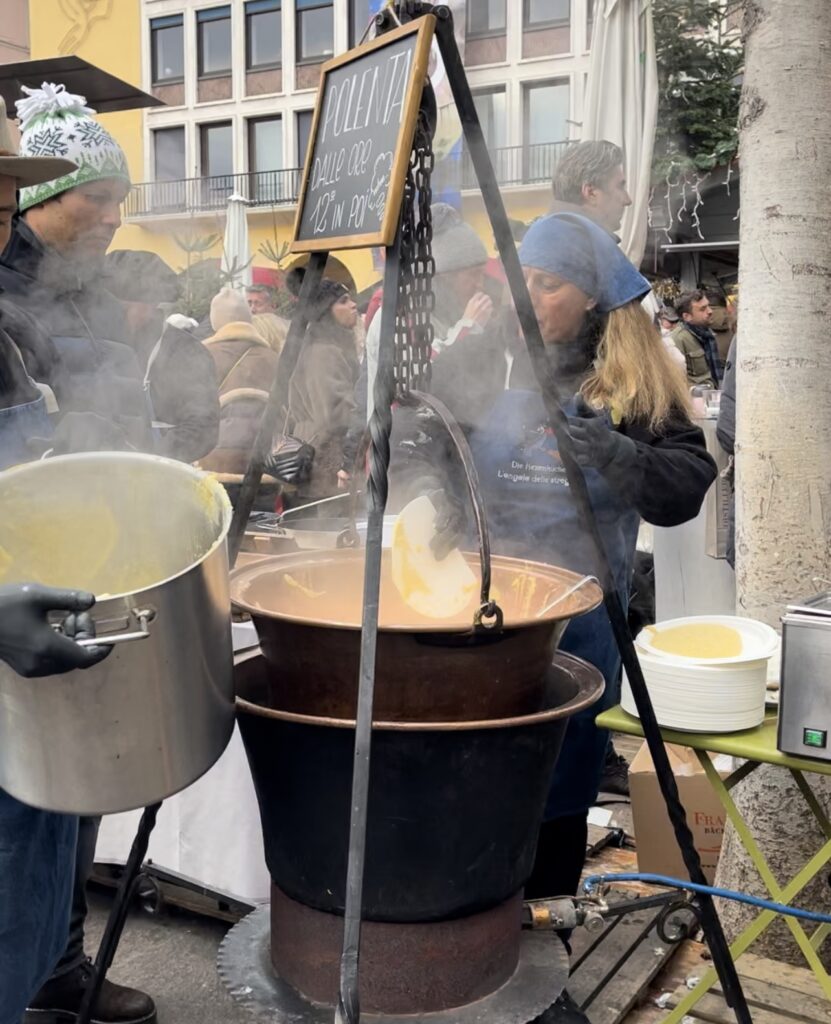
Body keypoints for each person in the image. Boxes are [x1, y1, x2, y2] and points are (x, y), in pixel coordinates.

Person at [400, 213, 716, 1022]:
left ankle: (542, 966)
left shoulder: (636, 377)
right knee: (468, 784)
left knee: (558, 793)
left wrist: (610, 450)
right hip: (477, 611)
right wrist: (417, 468)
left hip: (576, 620)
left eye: (546, 285)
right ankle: (461, 951)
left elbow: (683, 484)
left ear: (589, 297)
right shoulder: (486, 354)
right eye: (524, 281)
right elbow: (439, 443)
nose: (528, 297)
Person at [0, 83, 157, 1024]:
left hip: (78, 555)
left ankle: (54, 966)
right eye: (91, 196)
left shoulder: (93, 291)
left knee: (74, 788)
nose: (108, 217)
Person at [103, 249, 220, 464]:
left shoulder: (185, 352)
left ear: (151, 305)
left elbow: (203, 428)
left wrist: (149, 461)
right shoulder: (96, 344)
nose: (113, 316)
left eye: (125, 309)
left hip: (160, 476)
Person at [284, 268, 360, 503]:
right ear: (326, 311)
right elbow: (334, 414)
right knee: (325, 531)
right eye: (343, 301)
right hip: (324, 461)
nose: (353, 305)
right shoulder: (324, 352)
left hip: (319, 456)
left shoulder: (328, 345)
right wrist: (367, 411)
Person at [199, 286, 280, 478]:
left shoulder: (201, 356)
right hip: (266, 458)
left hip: (214, 458)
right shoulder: (272, 357)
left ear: (215, 320)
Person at [551, 140, 633, 237]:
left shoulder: (552, 236)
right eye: (620, 187)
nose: (628, 200)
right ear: (591, 193)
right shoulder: (584, 245)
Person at [671, 289, 722, 388]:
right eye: (703, 309)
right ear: (687, 316)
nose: (710, 311)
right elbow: (675, 382)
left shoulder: (707, 335)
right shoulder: (678, 339)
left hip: (713, 396)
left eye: (708, 306)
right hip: (696, 400)